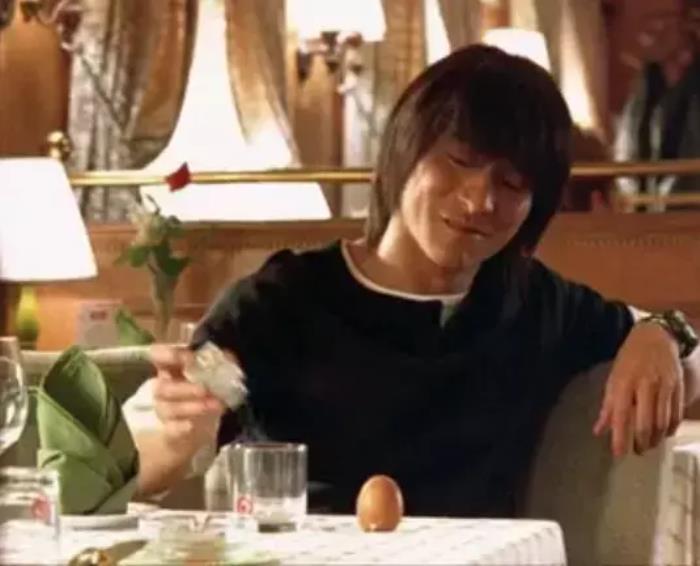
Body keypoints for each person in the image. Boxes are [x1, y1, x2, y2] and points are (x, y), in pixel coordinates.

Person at [129, 45, 700, 518]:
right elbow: (156, 447)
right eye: (459, 162)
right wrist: (172, 436)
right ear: (406, 152)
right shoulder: (281, 303)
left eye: (511, 183)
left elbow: (683, 346)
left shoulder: (532, 303)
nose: (480, 200)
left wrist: (663, 336)